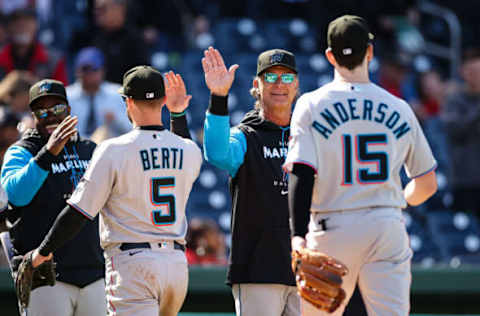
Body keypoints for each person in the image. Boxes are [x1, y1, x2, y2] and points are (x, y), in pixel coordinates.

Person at [284, 15, 438, 316]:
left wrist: (297, 235)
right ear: (369, 52)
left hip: (332, 226)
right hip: (386, 226)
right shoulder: (399, 107)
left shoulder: (312, 104)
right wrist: (395, 204)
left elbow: (302, 173)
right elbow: (427, 183)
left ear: (330, 55)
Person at [28, 66, 202, 316]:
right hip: (175, 266)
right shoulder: (189, 149)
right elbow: (181, 144)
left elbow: (78, 212)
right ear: (164, 100)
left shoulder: (113, 149)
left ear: (127, 101)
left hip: (132, 264)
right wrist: (178, 114)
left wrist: (42, 252)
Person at [202, 46, 300, 316]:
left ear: (297, 85)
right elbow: (217, 153)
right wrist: (219, 96)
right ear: (257, 85)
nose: (279, 84)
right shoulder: (246, 135)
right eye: (271, 77)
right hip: (258, 269)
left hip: (306, 268)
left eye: (287, 77)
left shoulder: (309, 135)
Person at [0, 79, 105, 315]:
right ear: (33, 114)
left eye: (57, 109)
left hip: (94, 272)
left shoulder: (89, 149)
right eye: (42, 111)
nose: (51, 116)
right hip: (45, 274)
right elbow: (16, 196)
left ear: (68, 110)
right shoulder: (22, 150)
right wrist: (48, 154)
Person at [443, 47, 480, 215]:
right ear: (463, 73)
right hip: (465, 180)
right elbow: (455, 130)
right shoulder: (455, 100)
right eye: (472, 71)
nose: (476, 76)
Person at [67, 46, 131, 138]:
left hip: (110, 148)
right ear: (77, 71)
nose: (89, 74)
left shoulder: (117, 93)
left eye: (94, 70)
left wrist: (115, 119)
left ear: (103, 71)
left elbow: (133, 130)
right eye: (85, 70)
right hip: (76, 148)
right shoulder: (67, 95)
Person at [0, 9, 68, 84]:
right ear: (9, 28)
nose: (22, 30)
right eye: (18, 25)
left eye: (26, 25)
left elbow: (61, 91)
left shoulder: (53, 60)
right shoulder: (1, 56)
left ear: (36, 27)